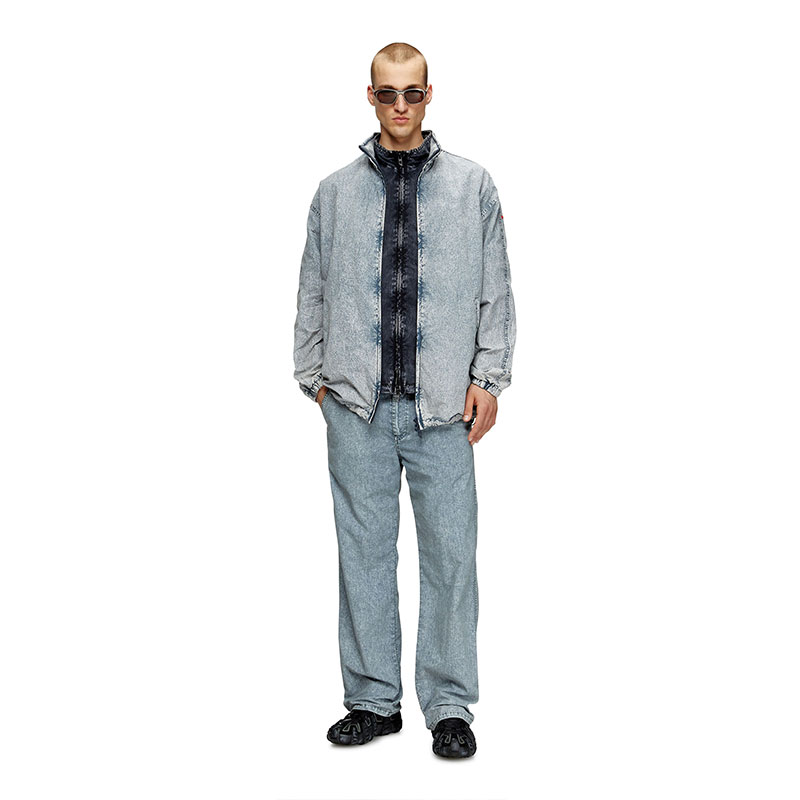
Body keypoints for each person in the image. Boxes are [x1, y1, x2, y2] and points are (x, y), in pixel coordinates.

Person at [293, 42, 517, 759]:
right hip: (356, 407)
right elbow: (313, 288)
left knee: (451, 557)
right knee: (363, 556)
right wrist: (316, 377)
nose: (399, 106)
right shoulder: (334, 192)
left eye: (411, 93)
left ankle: (449, 707)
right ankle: (372, 701)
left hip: (444, 409)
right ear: (370, 96)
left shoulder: (472, 186)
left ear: (427, 95)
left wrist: (489, 377)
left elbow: (496, 287)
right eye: (387, 93)